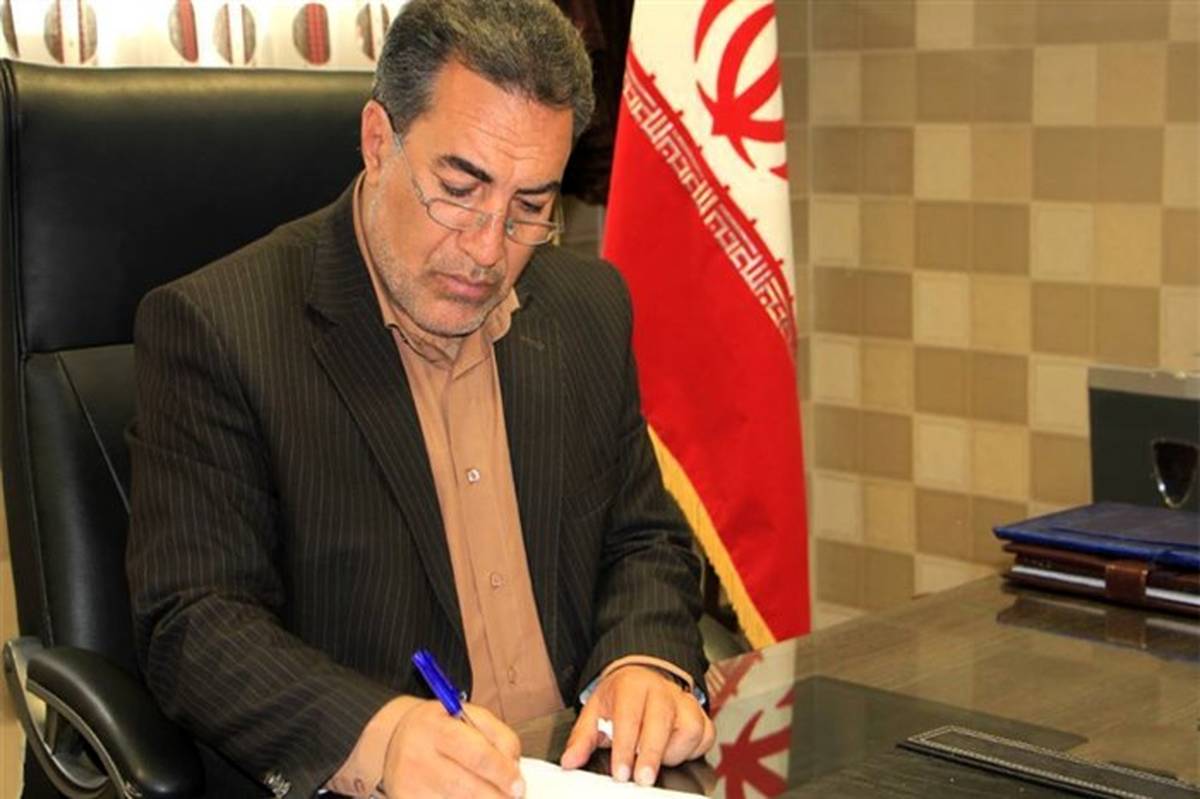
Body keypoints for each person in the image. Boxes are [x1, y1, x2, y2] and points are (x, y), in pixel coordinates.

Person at [125, 1, 714, 797]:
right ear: (379, 141)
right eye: (460, 189)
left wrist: (643, 661)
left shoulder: (589, 308)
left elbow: (644, 538)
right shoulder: (219, 329)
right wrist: (379, 733)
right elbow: (195, 622)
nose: (487, 248)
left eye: (530, 207)